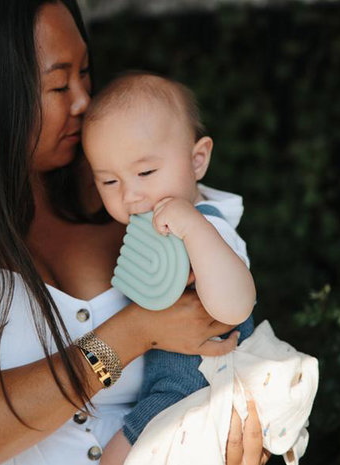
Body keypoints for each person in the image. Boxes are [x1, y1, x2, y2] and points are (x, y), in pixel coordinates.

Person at [0, 1, 269, 464]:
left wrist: (239, 433)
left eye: (85, 73)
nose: (84, 100)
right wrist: (133, 332)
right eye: (59, 84)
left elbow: (230, 343)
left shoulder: (141, 192)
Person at [81, 72, 318, 465]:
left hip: (198, 391)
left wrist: (193, 228)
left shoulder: (210, 227)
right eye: (108, 181)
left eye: (144, 173)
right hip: (165, 393)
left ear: (197, 160)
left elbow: (235, 306)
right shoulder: (148, 236)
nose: (130, 195)